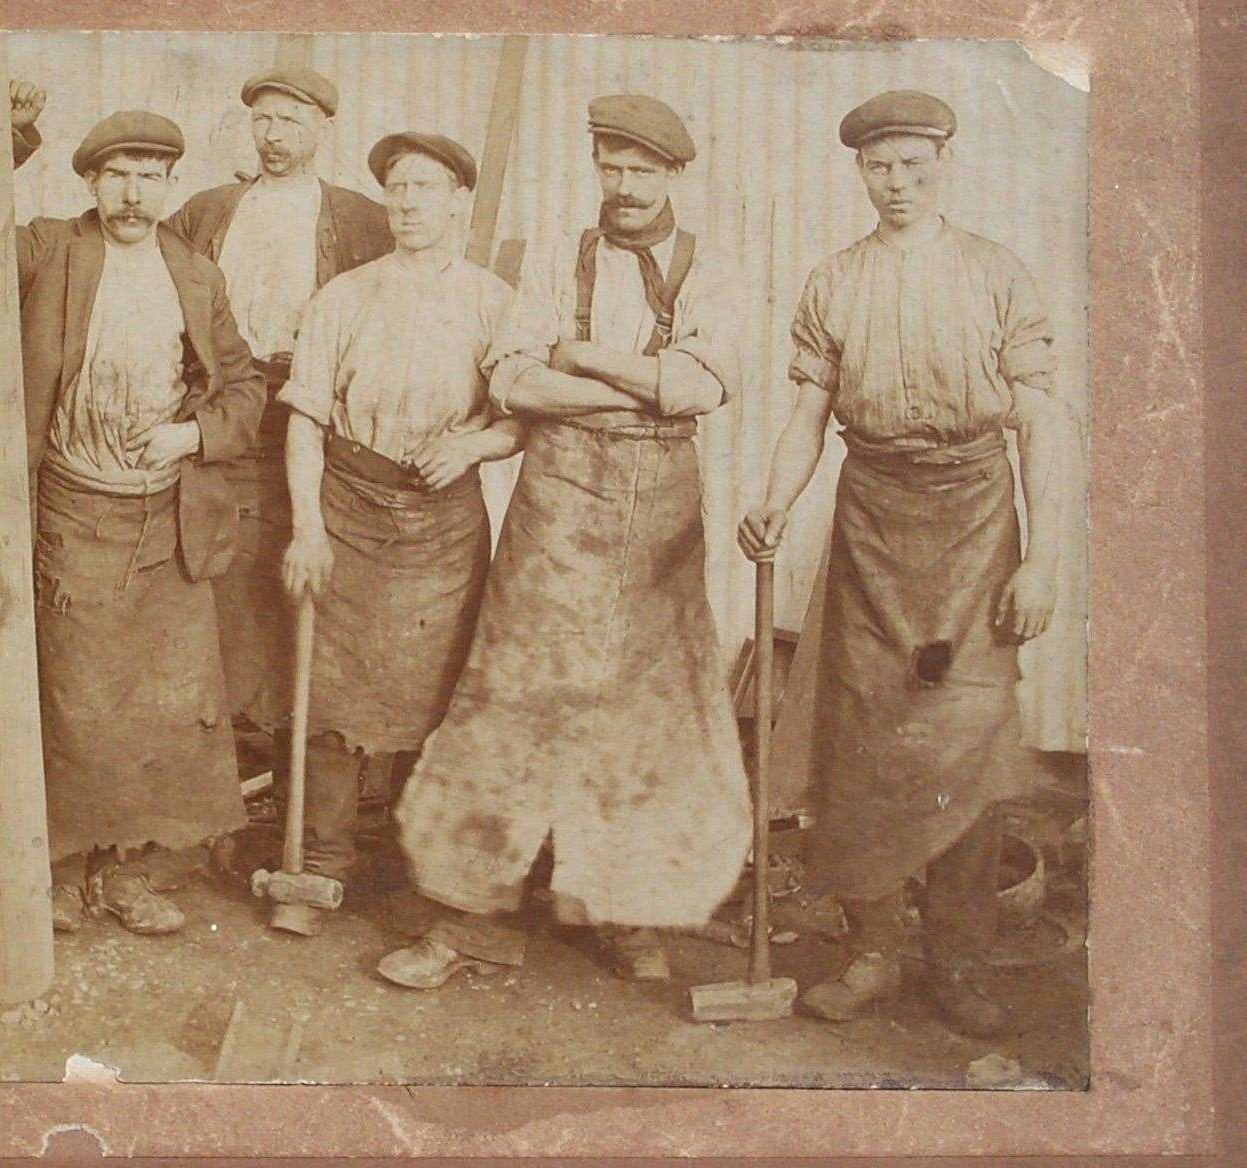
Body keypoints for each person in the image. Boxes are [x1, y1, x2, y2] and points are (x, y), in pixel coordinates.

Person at [377, 95, 752, 989]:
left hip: (660, 513)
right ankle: (466, 914)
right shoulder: (556, 254)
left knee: (645, 713)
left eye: (642, 172)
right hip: (556, 505)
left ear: (673, 176)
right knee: (510, 699)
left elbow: (702, 387)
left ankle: (621, 911)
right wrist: (639, 386)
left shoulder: (714, 264)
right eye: (610, 169)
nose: (623, 188)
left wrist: (581, 359)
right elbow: (514, 379)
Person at [738, 90, 1069, 1037]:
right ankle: (874, 952)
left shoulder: (997, 276)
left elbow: (1041, 424)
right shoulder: (834, 281)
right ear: (860, 172)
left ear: (944, 165)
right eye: (881, 167)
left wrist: (1043, 563)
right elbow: (808, 413)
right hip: (871, 522)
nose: (897, 184)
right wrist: (773, 498)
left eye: (915, 166)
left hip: (975, 522)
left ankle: (959, 964)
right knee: (863, 741)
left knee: (965, 742)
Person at [0, 84, 265, 936]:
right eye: (118, 175)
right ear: (91, 183)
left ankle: (130, 872)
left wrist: (192, 441)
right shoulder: (48, 251)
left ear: (169, 185)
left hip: (164, 522)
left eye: (152, 176)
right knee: (71, 702)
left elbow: (248, 386)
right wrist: (2, 134)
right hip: (74, 513)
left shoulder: (195, 273)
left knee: (157, 707)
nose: (135, 194)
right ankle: (62, 871)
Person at [275, 132, 519, 934]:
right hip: (349, 505)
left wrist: (472, 444)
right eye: (397, 188)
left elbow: (519, 419)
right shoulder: (345, 296)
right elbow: (306, 418)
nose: (409, 203)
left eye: (427, 188)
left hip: (444, 528)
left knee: (435, 697)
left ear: (459, 201)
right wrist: (308, 528)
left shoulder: (492, 300)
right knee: (330, 696)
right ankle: (319, 865)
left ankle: (423, 877)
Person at [167, 65, 393, 799]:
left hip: (314, 417)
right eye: (262, 120)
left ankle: (306, 783)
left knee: (304, 581)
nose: (273, 136)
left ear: (323, 131)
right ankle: (219, 778)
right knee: (221, 577)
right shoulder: (209, 211)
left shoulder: (360, 219)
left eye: (290, 122)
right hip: (229, 409)